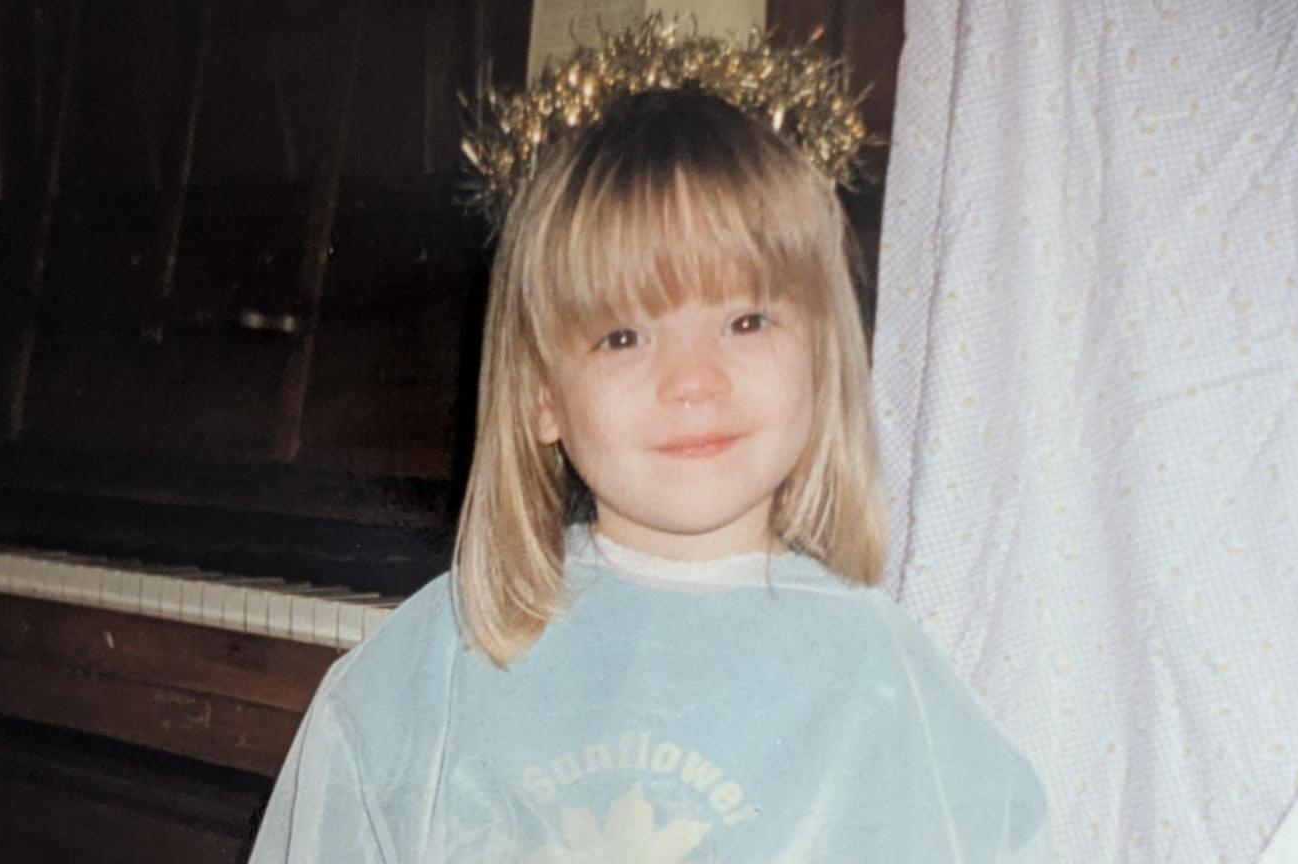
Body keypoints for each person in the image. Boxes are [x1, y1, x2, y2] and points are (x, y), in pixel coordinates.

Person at [248, 86, 1048, 863]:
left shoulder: (889, 682)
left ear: (822, 363)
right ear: (540, 396)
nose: (693, 379)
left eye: (746, 320)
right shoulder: (429, 669)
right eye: (624, 336)